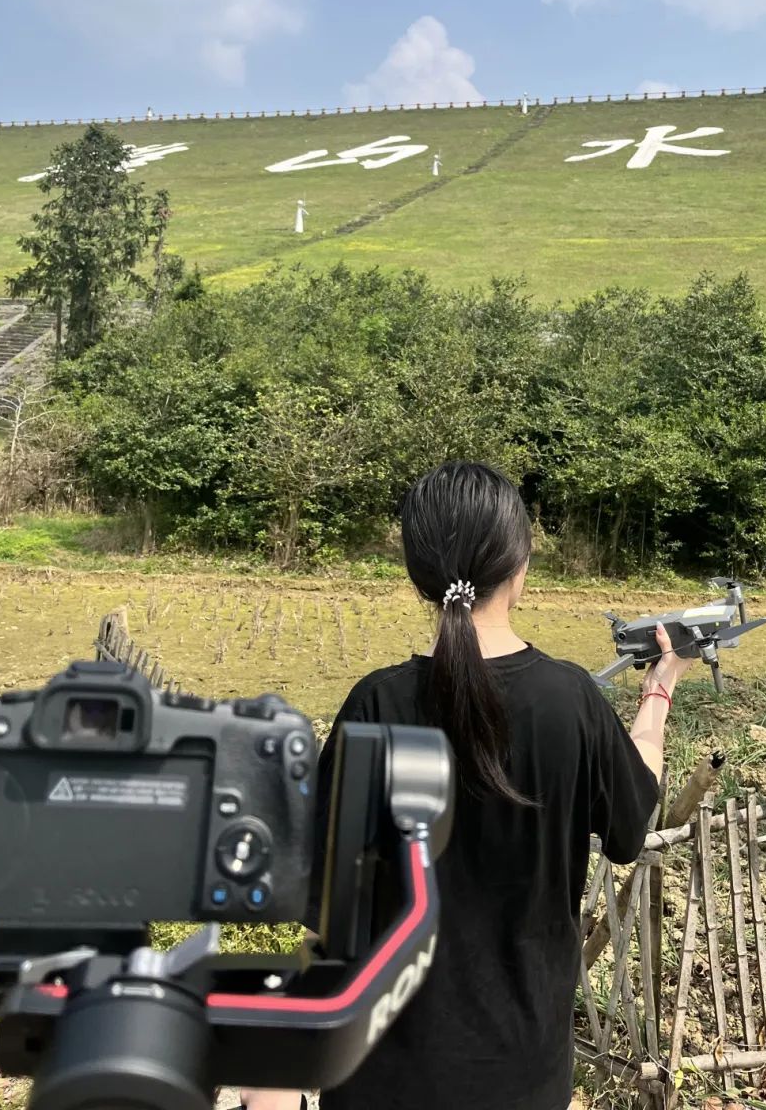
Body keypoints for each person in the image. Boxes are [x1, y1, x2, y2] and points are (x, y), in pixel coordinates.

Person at [243, 461, 688, 1110]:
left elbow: (328, 919)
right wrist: (657, 695)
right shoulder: (569, 701)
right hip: (523, 1078)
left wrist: (273, 1079)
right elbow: (630, 825)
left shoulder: (375, 705)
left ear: (418, 574)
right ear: (519, 565)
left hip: (380, 1080)